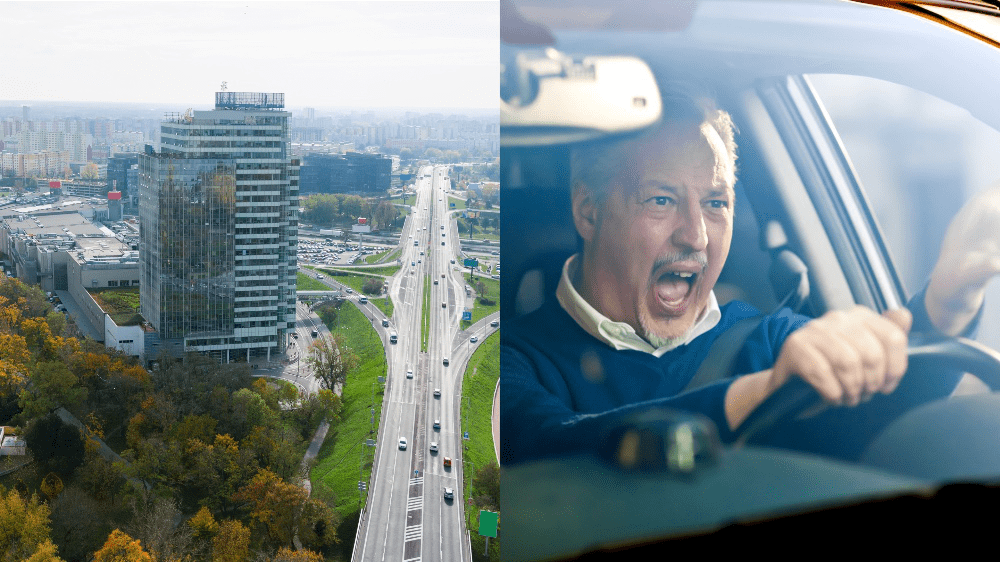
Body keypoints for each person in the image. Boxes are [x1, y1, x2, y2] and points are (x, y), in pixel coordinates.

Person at [501, 90, 1000, 465]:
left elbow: (889, 409)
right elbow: (546, 445)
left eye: (716, 203)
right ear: (589, 212)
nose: (695, 236)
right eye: (661, 200)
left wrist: (950, 300)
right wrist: (763, 393)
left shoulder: (772, 340)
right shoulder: (513, 360)